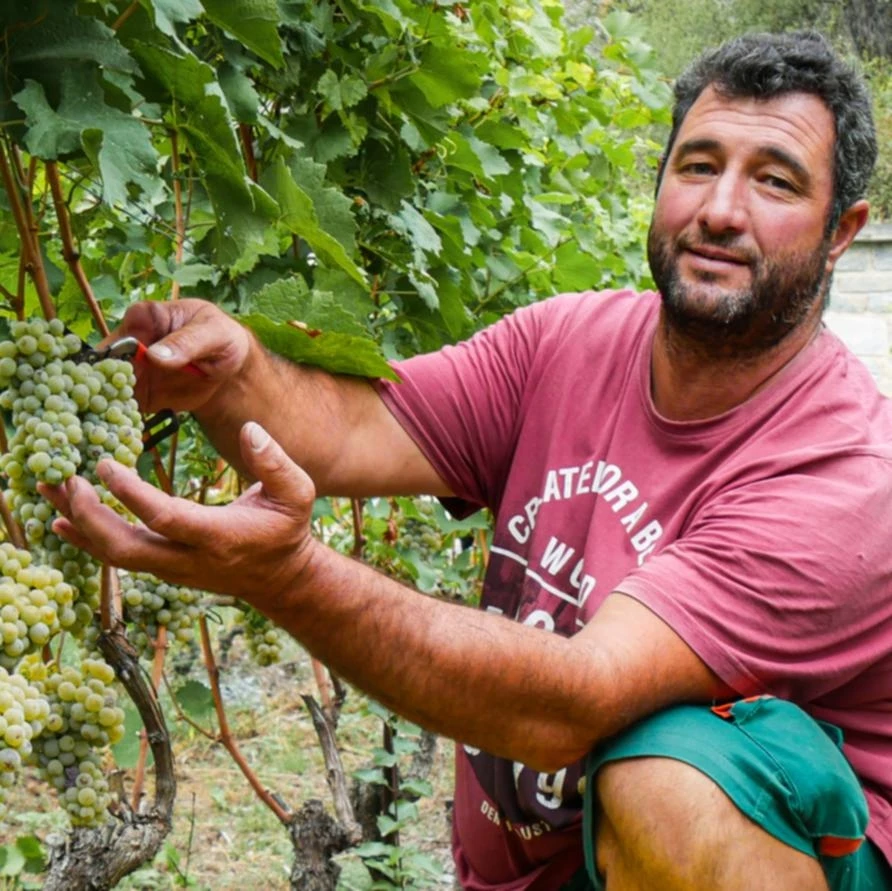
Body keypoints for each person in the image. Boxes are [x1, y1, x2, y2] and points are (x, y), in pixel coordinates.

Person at [40, 30, 892, 891]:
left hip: (766, 859)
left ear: (840, 233)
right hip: (556, 862)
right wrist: (233, 378)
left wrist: (285, 576)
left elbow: (574, 702)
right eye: (699, 165)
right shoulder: (568, 343)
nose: (721, 210)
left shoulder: (845, 474)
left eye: (775, 181)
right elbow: (354, 430)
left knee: (667, 774)